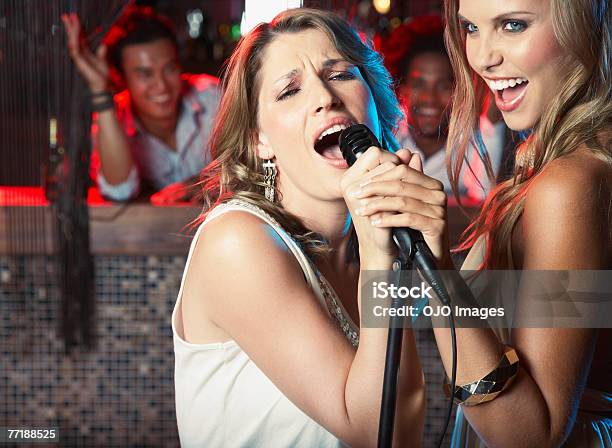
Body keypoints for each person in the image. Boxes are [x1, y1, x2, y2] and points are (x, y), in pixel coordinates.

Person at [171, 8, 434, 447]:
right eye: (289, 90)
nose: (325, 97)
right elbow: (382, 433)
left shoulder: (366, 251)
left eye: (341, 75)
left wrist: (435, 258)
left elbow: (410, 429)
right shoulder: (236, 243)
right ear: (260, 139)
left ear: (374, 102)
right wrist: (381, 260)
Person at [380, 0, 610, 446]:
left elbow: (530, 436)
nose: (483, 56)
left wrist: (436, 266)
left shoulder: (571, 183)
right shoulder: (555, 162)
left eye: (512, 25)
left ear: (583, 25)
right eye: (470, 27)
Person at [61, 7, 220, 203]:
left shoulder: (214, 98)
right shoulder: (111, 121)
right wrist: (100, 91)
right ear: (122, 79)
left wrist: (202, 183)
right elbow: (119, 192)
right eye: (145, 74)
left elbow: (256, 165)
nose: (162, 86)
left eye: (170, 68)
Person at [378, 16, 507, 203]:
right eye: (418, 84)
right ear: (402, 89)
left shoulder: (473, 141)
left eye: (444, 86)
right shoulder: (386, 136)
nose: (429, 98)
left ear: (459, 91)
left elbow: (481, 203)